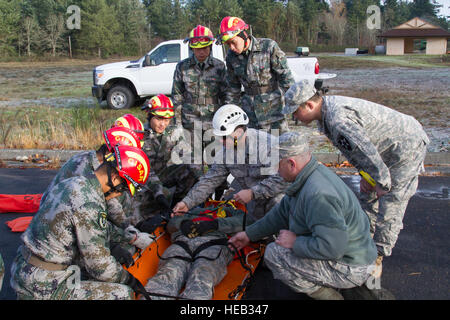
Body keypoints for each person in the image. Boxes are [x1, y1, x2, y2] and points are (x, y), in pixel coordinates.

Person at [282, 79, 430, 277]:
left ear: (309, 105)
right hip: (382, 151)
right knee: (367, 197)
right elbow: (358, 150)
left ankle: (377, 256)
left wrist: (381, 182)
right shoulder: (326, 113)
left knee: (390, 204)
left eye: (295, 112)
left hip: (405, 147)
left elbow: (366, 151)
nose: (294, 118)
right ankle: (364, 243)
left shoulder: (336, 119)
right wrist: (366, 175)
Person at [229, 132, 378, 300]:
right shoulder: (308, 177)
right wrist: (249, 234)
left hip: (351, 265)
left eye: (278, 165)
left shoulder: (319, 195)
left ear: (291, 163)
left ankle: (332, 296)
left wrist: (295, 242)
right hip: (351, 252)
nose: (276, 170)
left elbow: (333, 248)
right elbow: (281, 214)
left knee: (274, 254)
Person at [10, 145, 152, 300]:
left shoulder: (75, 182)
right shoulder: (89, 203)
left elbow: (98, 228)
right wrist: (129, 280)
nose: (118, 194)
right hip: (44, 284)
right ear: (115, 178)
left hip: (25, 268)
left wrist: (125, 237)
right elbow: (100, 267)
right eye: (123, 189)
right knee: (123, 294)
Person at [172, 104, 289, 221]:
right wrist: (187, 203)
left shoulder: (268, 145)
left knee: (278, 201)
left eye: (224, 137)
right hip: (254, 203)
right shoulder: (225, 152)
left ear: (238, 132)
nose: (219, 140)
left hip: (279, 200)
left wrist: (252, 193)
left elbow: (282, 180)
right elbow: (210, 180)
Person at [40, 126, 142, 228]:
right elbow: (109, 204)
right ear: (110, 153)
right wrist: (129, 229)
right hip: (54, 219)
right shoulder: (83, 167)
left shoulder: (93, 160)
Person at [144, 203, 246, 300]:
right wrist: (182, 223)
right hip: (183, 241)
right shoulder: (194, 211)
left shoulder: (233, 212)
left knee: (203, 275)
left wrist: (214, 224)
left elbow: (246, 222)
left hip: (214, 243)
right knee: (168, 273)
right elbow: (171, 225)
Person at [216, 16, 294, 133]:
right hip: (250, 115)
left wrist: (295, 105)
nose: (231, 47)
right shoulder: (231, 57)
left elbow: (286, 78)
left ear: (243, 35)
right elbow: (233, 88)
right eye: (228, 44)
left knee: (279, 148)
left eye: (233, 42)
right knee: (255, 148)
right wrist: (230, 114)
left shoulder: (268, 47)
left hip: (274, 112)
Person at [133, 94, 199, 225]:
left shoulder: (172, 132)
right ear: (149, 115)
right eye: (159, 119)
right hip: (141, 182)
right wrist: (159, 193)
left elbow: (188, 155)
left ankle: (179, 205)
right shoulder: (138, 136)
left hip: (162, 176)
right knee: (141, 217)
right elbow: (146, 172)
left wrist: (202, 179)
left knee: (189, 169)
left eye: (167, 120)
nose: (163, 124)